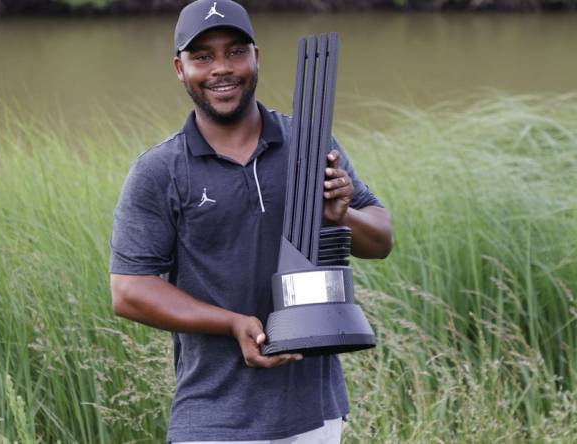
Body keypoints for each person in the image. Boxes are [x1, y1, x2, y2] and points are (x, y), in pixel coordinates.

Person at [109, 1, 393, 442]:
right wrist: (231, 323)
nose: (222, 68)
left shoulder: (309, 140)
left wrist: (342, 217)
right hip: (213, 418)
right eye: (202, 57)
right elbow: (129, 291)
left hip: (315, 414)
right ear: (179, 69)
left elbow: (380, 239)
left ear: (257, 56)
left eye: (235, 52)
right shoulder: (160, 170)